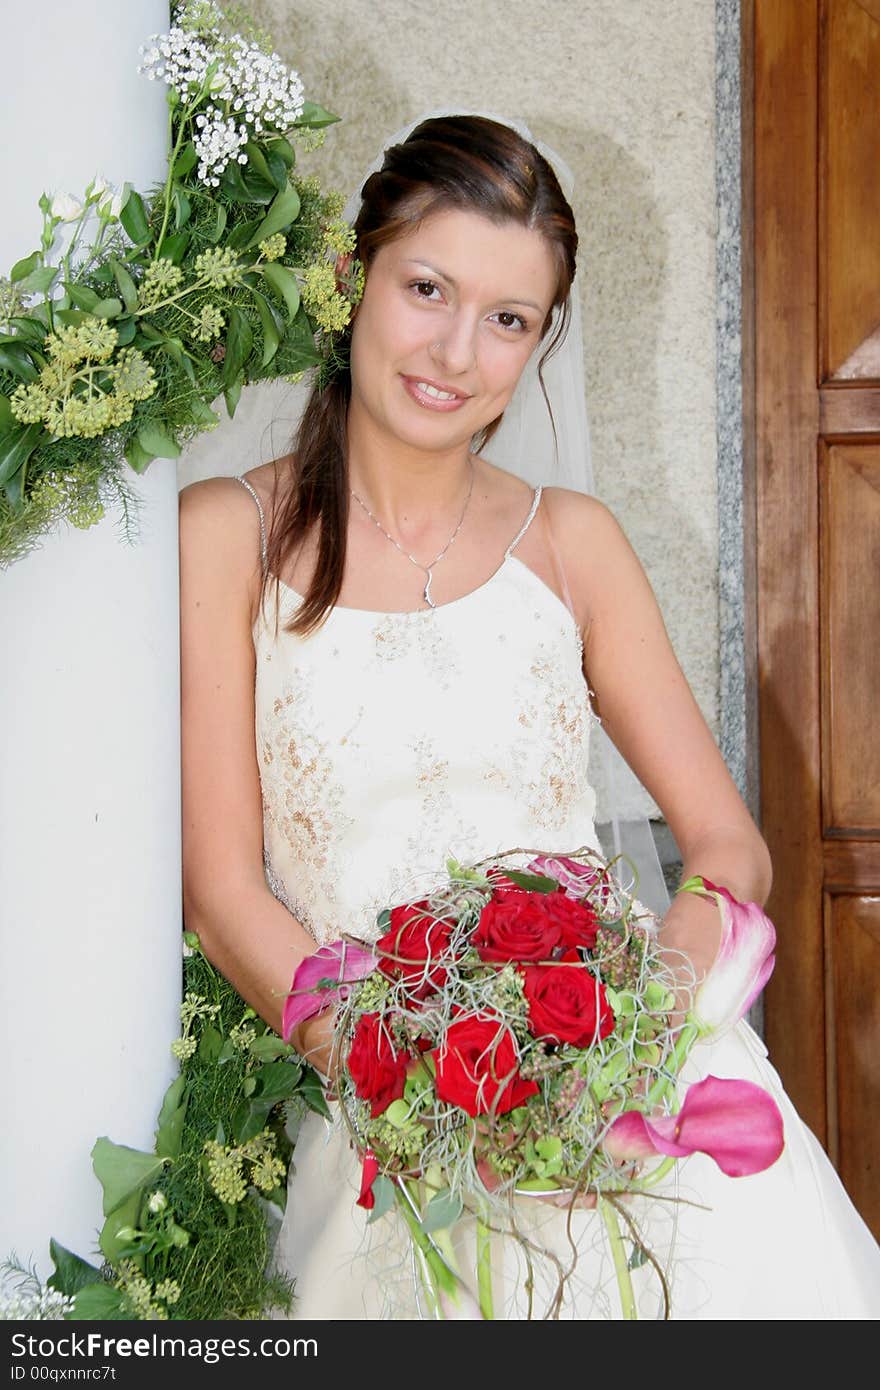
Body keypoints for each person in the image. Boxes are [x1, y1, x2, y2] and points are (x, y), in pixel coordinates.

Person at [178, 114, 880, 1319]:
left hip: (633, 1092)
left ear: (541, 340)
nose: (456, 349)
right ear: (353, 281)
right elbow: (222, 886)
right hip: (389, 1112)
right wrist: (409, 1085)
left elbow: (727, 847)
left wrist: (628, 1035)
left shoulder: (574, 541)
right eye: (427, 288)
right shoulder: (221, 536)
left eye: (508, 319)